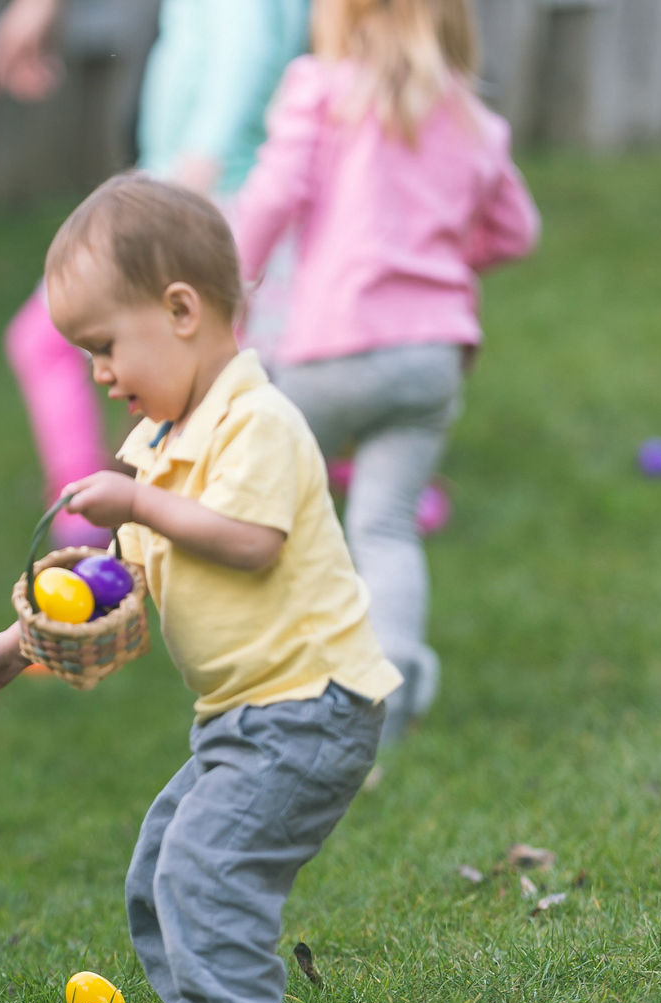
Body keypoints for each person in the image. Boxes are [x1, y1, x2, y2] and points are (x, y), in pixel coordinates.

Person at [0, 175, 401, 1003]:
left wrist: (140, 499)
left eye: (106, 347)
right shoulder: (158, 441)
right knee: (161, 861)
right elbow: (117, 582)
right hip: (243, 713)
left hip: (313, 704)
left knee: (207, 864)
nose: (101, 375)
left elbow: (254, 544)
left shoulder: (256, 422)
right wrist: (5, 651)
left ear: (181, 310)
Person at [232, 0, 540, 747]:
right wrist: (436, 265)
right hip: (430, 357)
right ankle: (389, 700)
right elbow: (517, 230)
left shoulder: (320, 87)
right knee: (385, 525)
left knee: (279, 527)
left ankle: (280, 693)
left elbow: (272, 196)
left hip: (325, 353)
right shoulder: (471, 117)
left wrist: (227, 294)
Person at [0, 0, 310, 547]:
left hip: (204, 192)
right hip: (202, 188)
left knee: (49, 340)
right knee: (253, 375)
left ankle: (80, 515)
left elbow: (247, 48)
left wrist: (201, 161)